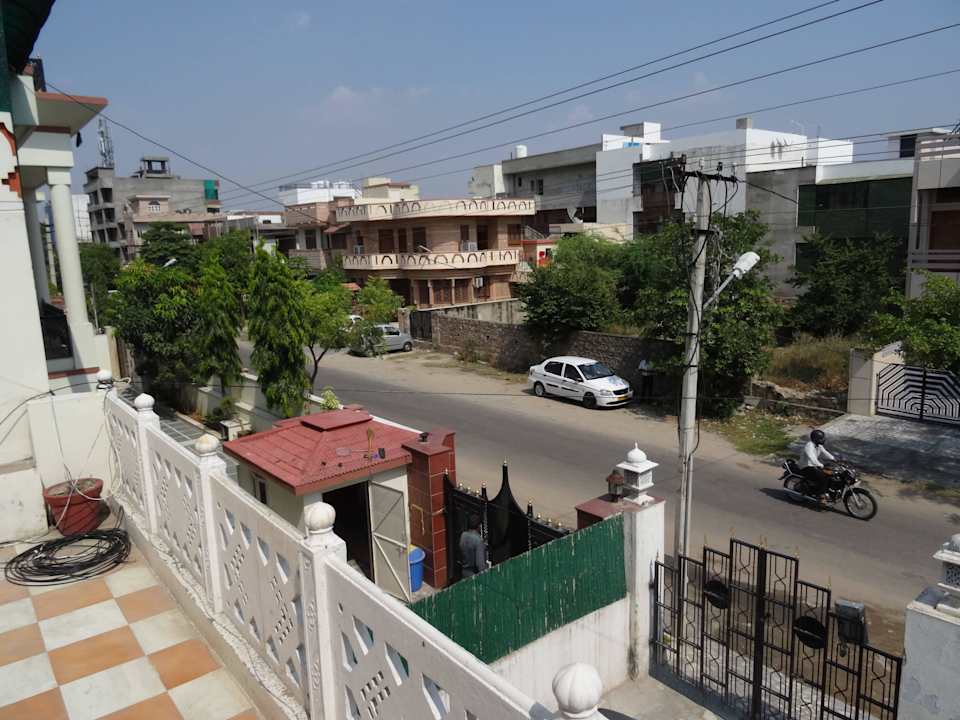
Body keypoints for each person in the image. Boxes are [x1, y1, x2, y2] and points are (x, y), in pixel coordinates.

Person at [798, 429, 836, 501]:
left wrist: (833, 459)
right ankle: (820, 494)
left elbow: (825, 452)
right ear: (816, 439)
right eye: (821, 438)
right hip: (806, 466)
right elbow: (812, 457)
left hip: (813, 465)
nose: (823, 440)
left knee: (832, 471)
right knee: (824, 476)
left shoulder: (818, 445)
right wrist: (821, 465)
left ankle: (827, 490)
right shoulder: (809, 446)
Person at [458, 514, 488, 578]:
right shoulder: (478, 541)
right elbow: (480, 565)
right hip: (474, 576)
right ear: (479, 526)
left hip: (463, 573)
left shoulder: (463, 535)